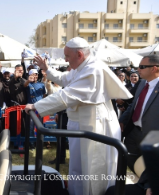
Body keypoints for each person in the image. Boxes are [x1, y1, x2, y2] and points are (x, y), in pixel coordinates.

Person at [24, 37, 132, 195]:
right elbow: (64, 79)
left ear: (79, 54)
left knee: (93, 169)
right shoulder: (81, 67)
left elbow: (67, 95)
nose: (66, 60)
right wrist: (47, 68)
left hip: (96, 124)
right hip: (83, 122)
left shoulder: (92, 70)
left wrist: (36, 106)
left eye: (67, 56)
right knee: (78, 167)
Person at [120, 55, 159, 173]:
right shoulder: (142, 83)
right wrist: (122, 120)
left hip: (152, 136)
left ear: (154, 68)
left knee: (150, 167)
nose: (138, 70)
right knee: (129, 159)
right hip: (133, 132)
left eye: (142, 67)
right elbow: (134, 105)